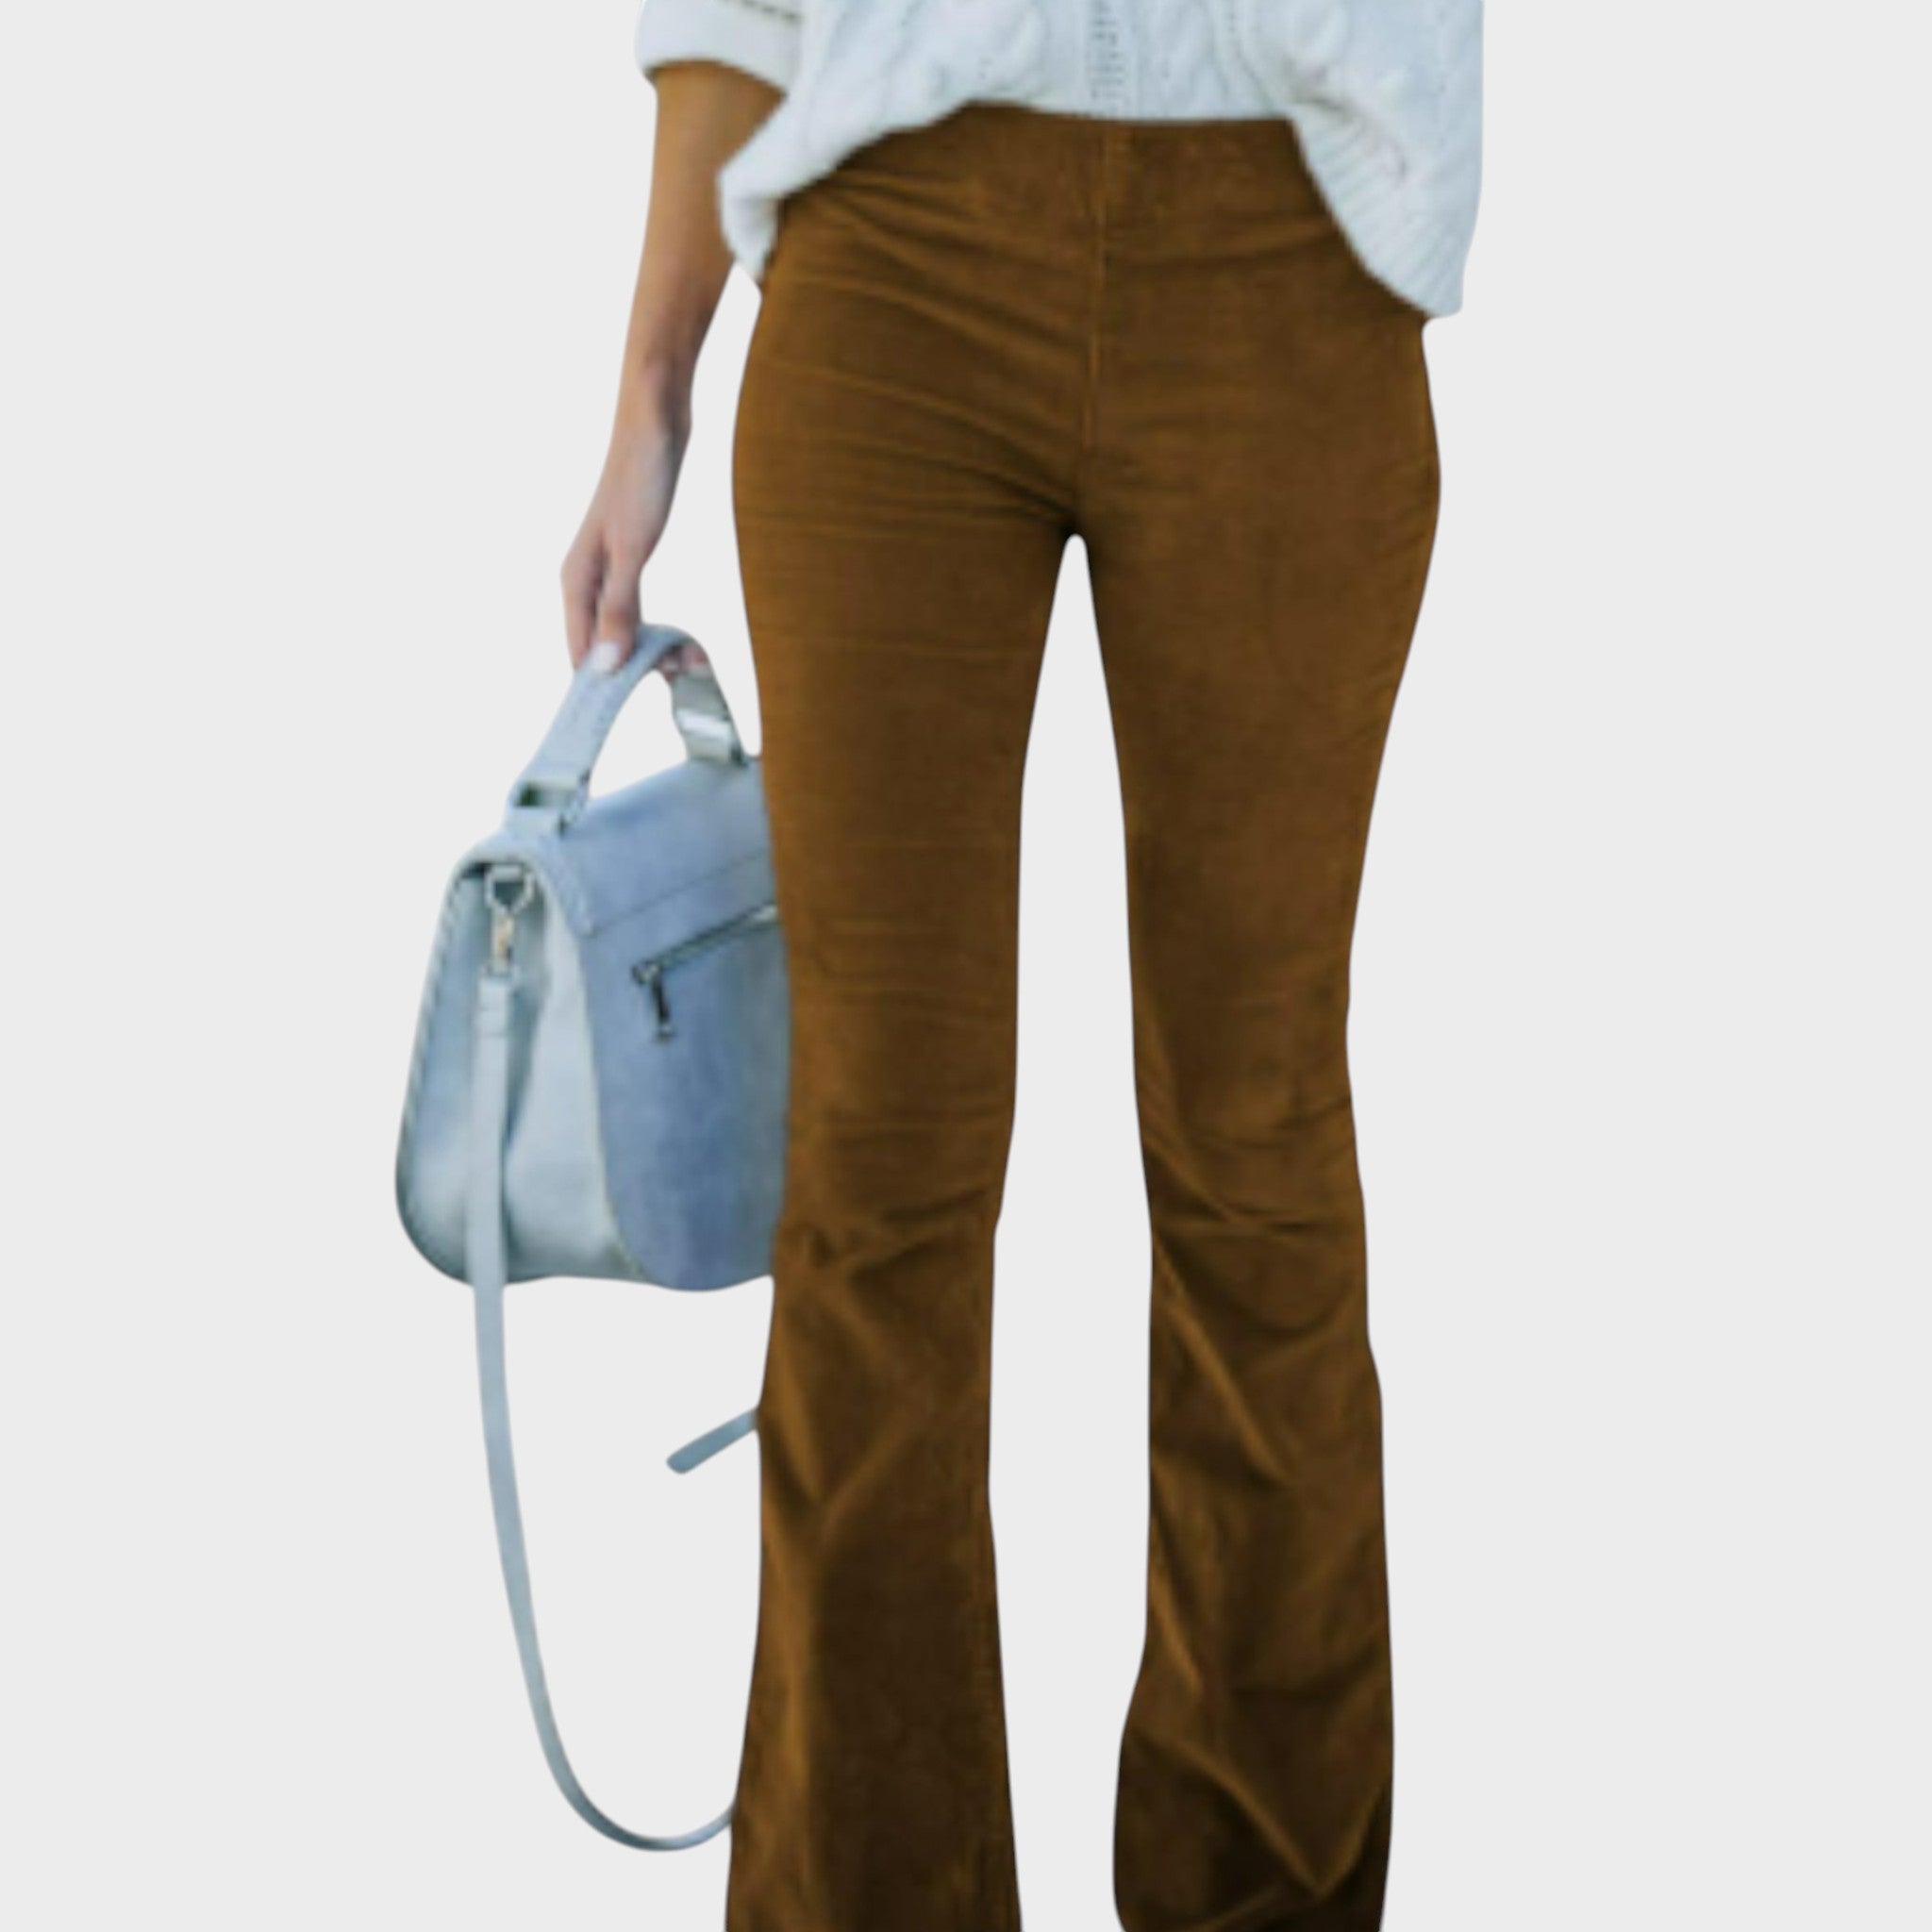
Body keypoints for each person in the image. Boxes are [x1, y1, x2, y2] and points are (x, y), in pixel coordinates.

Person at [562, 5, 1482, 1927]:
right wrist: (652, 381)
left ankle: (1267, 1894)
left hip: (1290, 250)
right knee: (874, 1168)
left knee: (1255, 1148)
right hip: (891, 262)